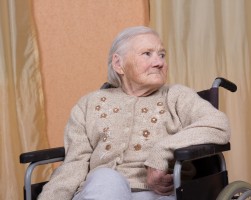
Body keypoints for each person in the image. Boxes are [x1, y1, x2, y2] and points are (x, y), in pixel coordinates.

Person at [38, 26, 230, 200]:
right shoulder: (89, 104)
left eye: (161, 55)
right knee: (106, 178)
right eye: (147, 54)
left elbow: (217, 124)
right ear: (118, 64)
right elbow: (74, 165)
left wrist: (161, 152)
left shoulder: (176, 96)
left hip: (157, 194)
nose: (159, 63)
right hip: (100, 191)